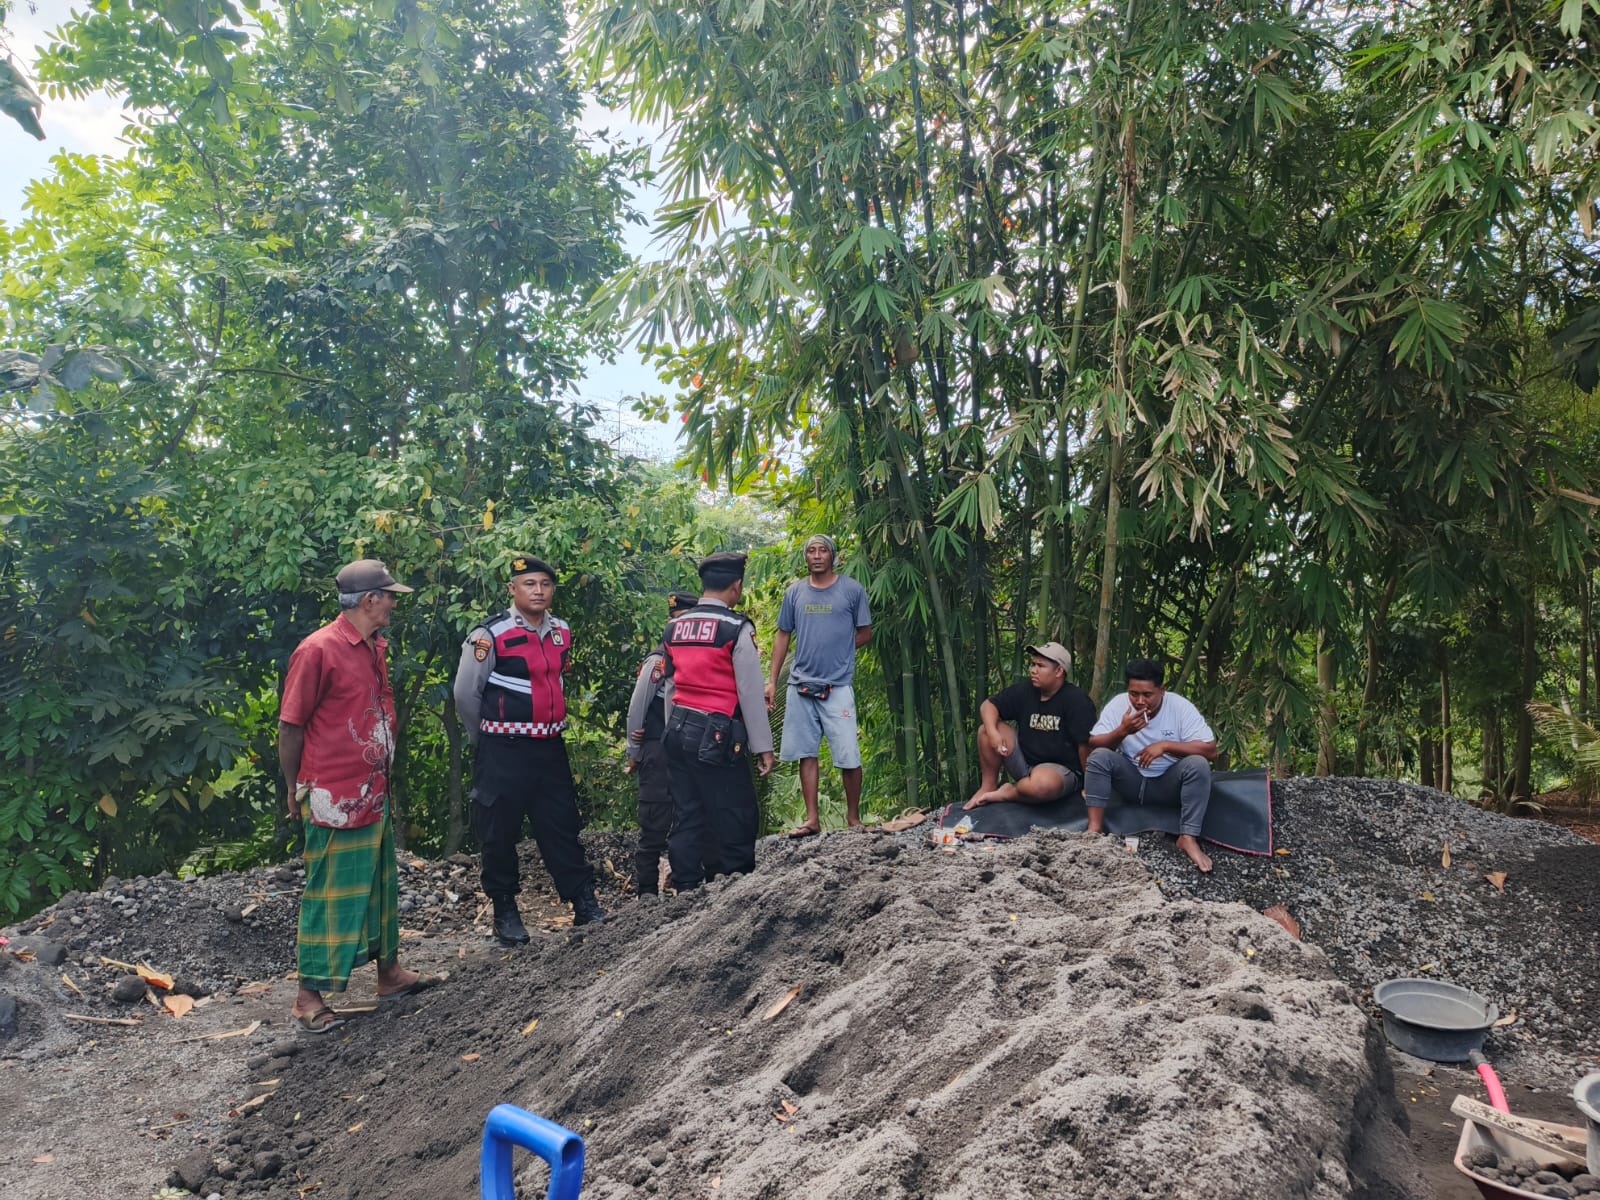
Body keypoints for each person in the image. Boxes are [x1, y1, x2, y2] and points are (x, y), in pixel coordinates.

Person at [279, 559, 441, 1034]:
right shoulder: (318, 650)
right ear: (370, 600)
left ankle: (388, 975)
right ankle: (309, 998)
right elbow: (291, 726)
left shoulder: (374, 645)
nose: (394, 603)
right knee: (331, 893)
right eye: (389, 595)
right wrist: (294, 788)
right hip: (334, 792)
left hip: (372, 789)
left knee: (378, 886)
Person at [454, 555, 605, 945]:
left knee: (561, 827)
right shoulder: (489, 635)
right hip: (503, 749)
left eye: (545, 584)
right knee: (498, 831)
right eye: (529, 584)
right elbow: (465, 695)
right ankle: (505, 911)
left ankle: (583, 902)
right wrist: (485, 739)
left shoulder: (562, 632)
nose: (538, 591)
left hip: (549, 748)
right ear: (512, 589)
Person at [661, 552, 775, 889]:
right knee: (736, 812)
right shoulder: (736, 628)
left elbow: (669, 684)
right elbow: (750, 692)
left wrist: (672, 730)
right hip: (716, 733)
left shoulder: (674, 626)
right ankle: (734, 889)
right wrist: (763, 747)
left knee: (687, 813)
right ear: (736, 586)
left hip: (677, 728)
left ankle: (686, 886)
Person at [764, 534, 872, 836]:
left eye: (823, 550)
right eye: (811, 550)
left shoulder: (852, 590)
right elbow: (783, 634)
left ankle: (854, 818)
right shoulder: (795, 593)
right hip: (800, 685)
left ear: (833, 556)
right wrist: (772, 681)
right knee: (805, 752)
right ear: (805, 557)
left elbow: (865, 632)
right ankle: (812, 820)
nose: (816, 555)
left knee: (848, 753)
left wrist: (840, 654)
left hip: (837, 686)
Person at [1085, 658, 1219, 873]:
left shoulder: (1179, 707)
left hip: (1168, 784)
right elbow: (1093, 744)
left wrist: (1166, 746)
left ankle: (1188, 837)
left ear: (1162, 690)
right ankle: (1094, 830)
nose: (1139, 701)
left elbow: (1211, 750)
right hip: (1131, 781)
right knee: (1100, 756)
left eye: (1147, 695)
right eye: (1133, 694)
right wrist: (1122, 731)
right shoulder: (1119, 705)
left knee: (1198, 764)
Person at [623, 590, 700, 900]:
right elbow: (637, 708)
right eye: (675, 620)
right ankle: (645, 892)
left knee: (689, 818)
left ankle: (687, 884)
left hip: (691, 750)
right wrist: (634, 750)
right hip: (658, 750)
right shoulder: (659, 660)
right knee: (654, 821)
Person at [965, 642, 1096, 810]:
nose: (1033, 670)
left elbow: (1086, 745)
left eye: (1040, 666)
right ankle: (988, 786)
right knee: (986, 730)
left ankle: (1008, 792)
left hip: (1059, 771)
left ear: (1059, 671)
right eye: (1033, 664)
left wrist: (1090, 784)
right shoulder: (1026, 691)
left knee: (1040, 786)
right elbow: (988, 706)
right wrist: (993, 733)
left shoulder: (1076, 701)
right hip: (1024, 764)